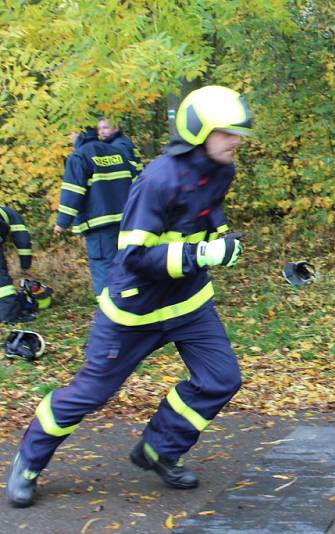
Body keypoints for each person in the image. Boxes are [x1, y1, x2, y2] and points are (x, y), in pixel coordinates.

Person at [6, 85, 252, 508]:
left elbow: (205, 219)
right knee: (91, 394)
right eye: (227, 132)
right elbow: (135, 255)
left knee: (221, 380)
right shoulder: (159, 178)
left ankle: (159, 449)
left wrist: (220, 239)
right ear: (199, 131)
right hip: (134, 310)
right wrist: (203, 253)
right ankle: (28, 461)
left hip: (190, 305)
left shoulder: (221, 169)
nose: (236, 140)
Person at [55, 127, 134, 295]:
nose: (70, 137)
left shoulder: (79, 156)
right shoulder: (117, 152)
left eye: (70, 133)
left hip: (99, 227)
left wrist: (62, 222)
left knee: (104, 269)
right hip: (126, 223)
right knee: (126, 265)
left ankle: (109, 313)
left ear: (79, 134)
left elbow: (73, 191)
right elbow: (137, 183)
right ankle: (131, 306)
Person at [0, 206, 34, 323]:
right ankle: (10, 315)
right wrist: (25, 266)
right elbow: (23, 241)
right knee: (3, 283)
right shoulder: (13, 216)